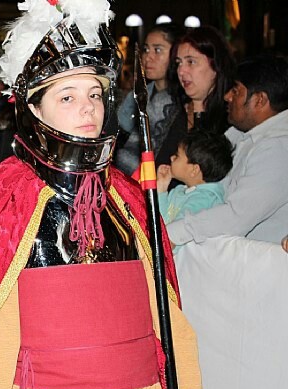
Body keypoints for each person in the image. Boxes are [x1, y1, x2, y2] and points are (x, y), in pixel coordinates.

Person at [0, 0, 203, 389]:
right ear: (32, 108)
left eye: (94, 94)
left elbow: (168, 320)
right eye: (67, 97)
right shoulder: (6, 204)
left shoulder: (128, 199)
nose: (87, 107)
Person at [166, 54, 288, 247]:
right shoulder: (241, 133)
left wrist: (171, 233)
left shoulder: (279, 148)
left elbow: (237, 215)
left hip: (256, 267)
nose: (227, 96)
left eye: (236, 91)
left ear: (259, 100)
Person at [155, 26, 235, 169]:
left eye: (191, 62)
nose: (181, 70)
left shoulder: (233, 120)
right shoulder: (168, 109)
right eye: (179, 63)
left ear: (216, 66)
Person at [115, 23, 184, 176]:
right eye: (146, 49)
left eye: (158, 50)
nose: (148, 57)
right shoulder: (139, 93)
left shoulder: (181, 102)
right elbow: (119, 131)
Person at [157, 129, 233, 251]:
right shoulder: (180, 190)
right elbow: (161, 221)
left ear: (194, 170)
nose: (171, 158)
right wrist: (161, 187)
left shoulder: (203, 201)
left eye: (177, 156)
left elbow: (171, 239)